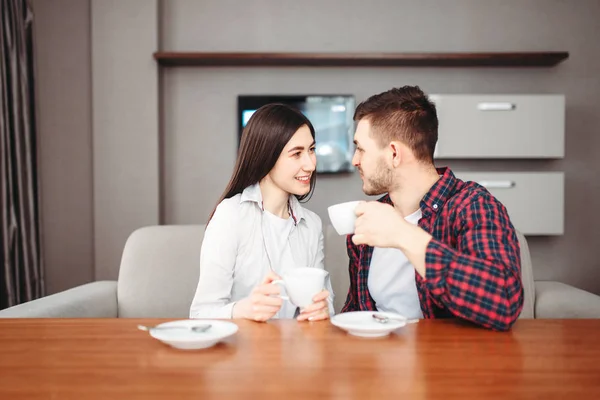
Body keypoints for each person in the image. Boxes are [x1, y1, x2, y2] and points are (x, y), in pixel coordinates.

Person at [342, 86, 523, 331]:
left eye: (361, 148)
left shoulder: (472, 204)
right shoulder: (370, 221)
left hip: (449, 364)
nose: (355, 160)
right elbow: (357, 313)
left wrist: (404, 235)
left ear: (394, 153)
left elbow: (504, 302)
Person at [190, 103, 333, 322]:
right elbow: (200, 313)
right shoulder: (231, 215)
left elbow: (326, 302)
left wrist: (323, 310)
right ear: (267, 156)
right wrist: (243, 310)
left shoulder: (312, 225)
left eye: (311, 150)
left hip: (296, 350)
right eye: (296, 154)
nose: (311, 164)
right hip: (242, 350)